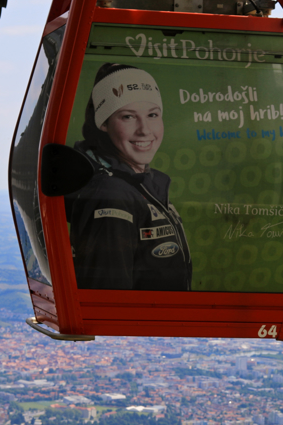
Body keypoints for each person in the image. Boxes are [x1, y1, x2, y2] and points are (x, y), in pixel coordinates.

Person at [66, 63, 191, 290]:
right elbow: (109, 300)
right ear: (103, 123)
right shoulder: (112, 194)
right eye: (128, 116)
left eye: (153, 114)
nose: (144, 129)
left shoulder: (144, 183)